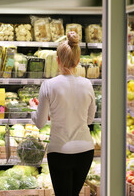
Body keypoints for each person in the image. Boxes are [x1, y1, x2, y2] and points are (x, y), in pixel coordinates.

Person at [31, 31, 96, 196]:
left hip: (60, 151)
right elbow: (89, 120)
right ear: (78, 60)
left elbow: (40, 123)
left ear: (57, 60)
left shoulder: (49, 85)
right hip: (85, 151)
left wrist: (33, 108)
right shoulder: (87, 84)